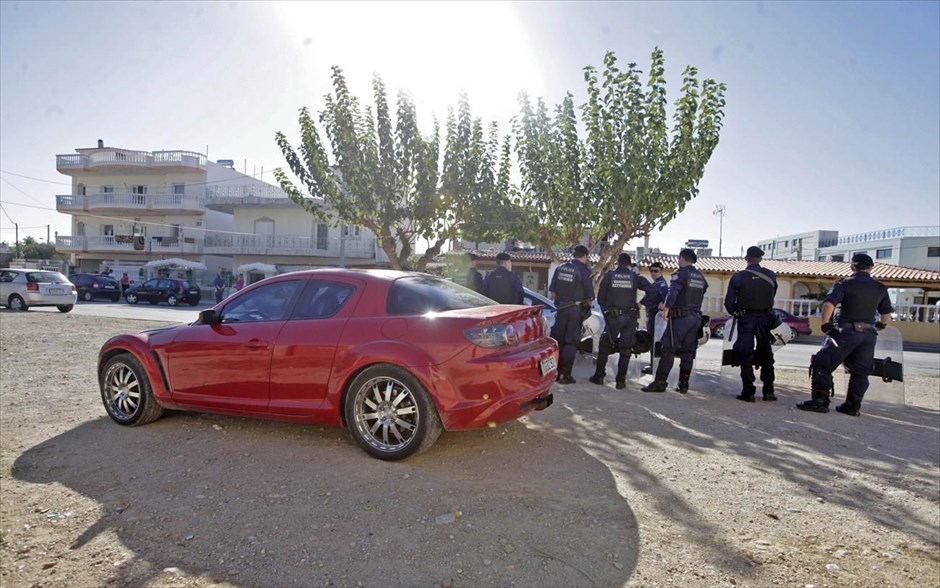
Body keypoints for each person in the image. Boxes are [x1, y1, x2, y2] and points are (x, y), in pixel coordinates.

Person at [797, 253, 893, 416]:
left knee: (822, 363)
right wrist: (879, 326)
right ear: (870, 268)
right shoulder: (880, 287)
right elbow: (886, 315)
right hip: (869, 335)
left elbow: (829, 304)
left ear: (852, 266)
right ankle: (852, 406)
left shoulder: (845, 283)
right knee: (861, 372)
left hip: (846, 332)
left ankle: (819, 402)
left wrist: (826, 325)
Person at [642, 248, 708, 394]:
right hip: (695, 317)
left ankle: (660, 382)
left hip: (680, 317)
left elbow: (673, 292)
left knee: (668, 348)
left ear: (681, 258)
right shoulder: (700, 277)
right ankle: (683, 384)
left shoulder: (680, 273)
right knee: (688, 351)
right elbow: (704, 291)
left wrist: (666, 310)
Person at [589, 253, 655, 389]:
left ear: (618, 263)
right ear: (629, 264)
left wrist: (607, 312)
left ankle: (599, 376)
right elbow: (653, 291)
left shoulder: (610, 276)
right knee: (626, 349)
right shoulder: (635, 277)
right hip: (630, 318)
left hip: (613, 317)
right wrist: (641, 303)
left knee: (605, 346)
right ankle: (621, 381)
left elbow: (600, 298)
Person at [725, 246, 779, 402]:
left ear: (746, 258)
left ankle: (748, 391)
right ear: (761, 259)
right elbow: (772, 294)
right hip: (765, 318)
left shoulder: (739, 277)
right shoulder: (770, 275)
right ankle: (769, 391)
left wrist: (735, 312)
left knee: (745, 353)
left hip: (746, 318)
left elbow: (729, 302)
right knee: (766, 353)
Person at [548, 245, 595, 385]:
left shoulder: (560, 267)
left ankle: (555, 373)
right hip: (574, 311)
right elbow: (590, 299)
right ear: (585, 256)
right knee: (570, 342)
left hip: (561, 309)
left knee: (558, 341)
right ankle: (565, 374)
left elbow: (552, 294)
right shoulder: (584, 271)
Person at [640, 262, 669, 374]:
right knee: (653, 341)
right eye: (651, 271)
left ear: (661, 271)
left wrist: (662, 304)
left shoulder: (661, 284)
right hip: (652, 315)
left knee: (654, 341)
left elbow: (666, 297)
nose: (653, 273)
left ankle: (655, 367)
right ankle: (654, 365)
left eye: (656, 271)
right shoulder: (656, 283)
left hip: (656, 317)